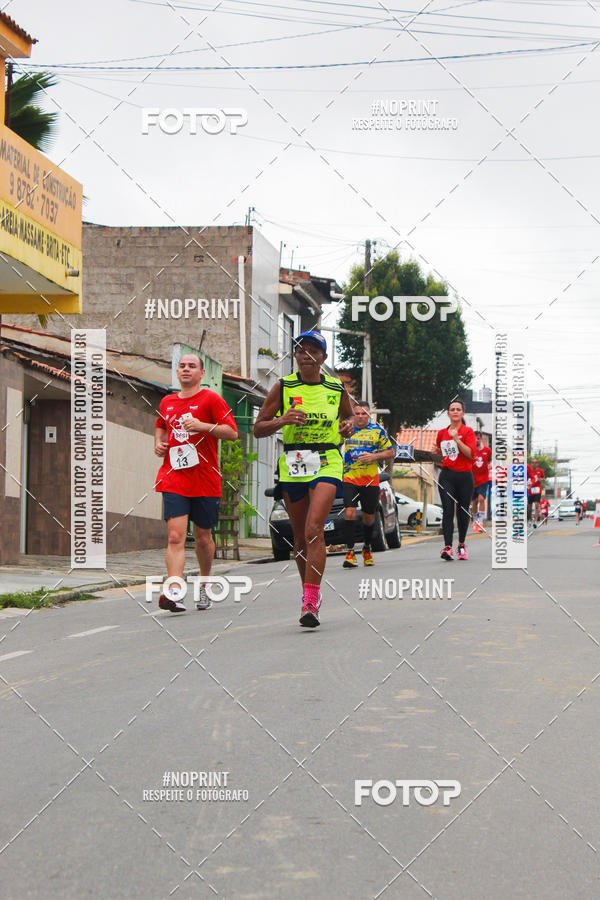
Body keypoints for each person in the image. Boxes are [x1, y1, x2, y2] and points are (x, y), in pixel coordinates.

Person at [253, 330, 354, 628]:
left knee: (313, 529)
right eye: (300, 350)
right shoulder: (283, 387)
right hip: (294, 462)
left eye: (312, 350)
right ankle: (309, 592)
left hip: (327, 460)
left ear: (323, 358)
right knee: (298, 539)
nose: (305, 354)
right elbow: (258, 428)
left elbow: (348, 417)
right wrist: (282, 420)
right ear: (295, 356)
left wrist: (347, 426)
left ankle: (311, 601)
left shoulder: (336, 389)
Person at [154, 354, 238, 612]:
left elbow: (232, 432)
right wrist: (158, 443)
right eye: (182, 366)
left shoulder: (211, 399)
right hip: (174, 477)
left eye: (192, 366)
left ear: (202, 373)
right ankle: (175, 592)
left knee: (203, 538)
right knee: (175, 536)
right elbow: (160, 425)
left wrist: (202, 425)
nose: (186, 370)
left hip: (205, 479)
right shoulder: (167, 401)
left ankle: (204, 584)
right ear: (177, 372)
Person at [342, 401, 394, 567]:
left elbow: (391, 452)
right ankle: (350, 552)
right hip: (350, 477)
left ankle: (366, 547)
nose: (360, 416)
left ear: (369, 415)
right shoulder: (347, 429)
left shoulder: (377, 431)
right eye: (357, 413)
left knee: (368, 517)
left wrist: (373, 456)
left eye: (364, 413)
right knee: (349, 513)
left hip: (370, 480)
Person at [436, 399, 476, 561]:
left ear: (462, 413)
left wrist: (457, 439)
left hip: (465, 477)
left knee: (462, 511)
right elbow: (442, 453)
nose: (455, 411)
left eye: (458, 409)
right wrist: (437, 451)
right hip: (447, 476)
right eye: (452, 409)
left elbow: (470, 454)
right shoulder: (441, 433)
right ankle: (447, 547)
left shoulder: (468, 432)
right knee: (447, 510)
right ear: (448, 413)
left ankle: (461, 544)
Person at [471, 434, 492, 533]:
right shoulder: (470, 450)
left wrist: (490, 465)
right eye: (474, 438)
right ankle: (475, 522)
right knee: (474, 502)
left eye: (478, 438)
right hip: (472, 479)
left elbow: (491, 460)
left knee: (481, 499)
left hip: (483, 479)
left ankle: (480, 522)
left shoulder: (487, 450)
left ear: (481, 439)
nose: (476, 440)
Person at [527, 458, 545, 528]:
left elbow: (543, 478)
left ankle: (536, 521)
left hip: (537, 490)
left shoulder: (540, 471)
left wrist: (541, 479)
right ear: (531, 463)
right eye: (533, 462)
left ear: (537, 464)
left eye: (535, 462)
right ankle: (530, 519)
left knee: (537, 505)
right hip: (530, 489)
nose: (534, 464)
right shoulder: (529, 470)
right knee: (529, 507)